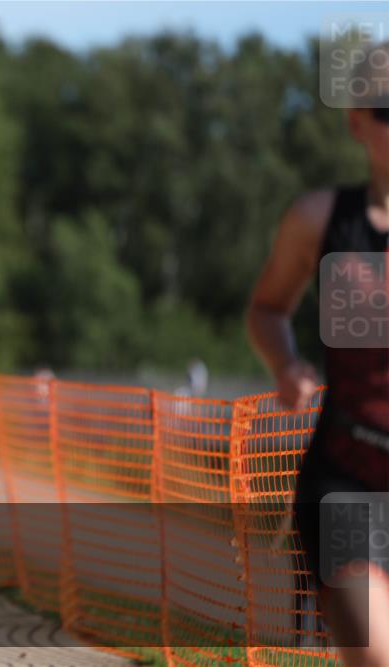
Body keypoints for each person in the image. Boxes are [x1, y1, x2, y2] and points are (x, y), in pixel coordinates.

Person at [246, 44, 389, 666]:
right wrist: (286, 365)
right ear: (356, 119)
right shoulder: (320, 219)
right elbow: (267, 309)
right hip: (349, 480)